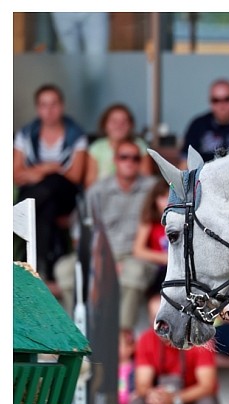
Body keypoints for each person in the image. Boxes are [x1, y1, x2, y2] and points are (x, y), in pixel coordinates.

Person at [54, 138, 159, 335]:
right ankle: (75, 331)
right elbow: (78, 230)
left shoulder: (153, 188)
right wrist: (97, 259)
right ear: (115, 161)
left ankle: (122, 335)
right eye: (124, 157)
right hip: (98, 254)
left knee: (134, 273)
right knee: (64, 269)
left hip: (136, 256)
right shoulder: (97, 190)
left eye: (135, 158)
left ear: (140, 162)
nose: (129, 162)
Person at [125, 295, 221, 404]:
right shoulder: (146, 340)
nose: (162, 327)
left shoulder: (200, 338)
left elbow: (207, 385)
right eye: (157, 320)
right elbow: (142, 384)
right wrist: (153, 395)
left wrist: (176, 399)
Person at [13, 84, 88, 284]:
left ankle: (20, 217)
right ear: (38, 108)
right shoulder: (26, 134)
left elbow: (74, 176)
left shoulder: (76, 134)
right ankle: (45, 270)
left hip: (65, 194)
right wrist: (48, 168)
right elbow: (16, 174)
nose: (49, 110)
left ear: (62, 106)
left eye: (54, 104)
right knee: (46, 206)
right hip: (45, 200)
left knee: (53, 184)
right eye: (44, 105)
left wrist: (36, 173)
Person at [85, 103, 153, 188]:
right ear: (104, 124)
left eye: (124, 121)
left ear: (131, 125)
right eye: (114, 121)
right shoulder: (96, 148)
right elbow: (90, 183)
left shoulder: (140, 146)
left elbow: (146, 179)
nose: (119, 126)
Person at [131, 177, 171, 294]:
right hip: (158, 273)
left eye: (170, 196)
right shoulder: (150, 221)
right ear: (154, 200)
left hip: (180, 273)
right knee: (155, 306)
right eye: (163, 197)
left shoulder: (183, 221)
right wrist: (165, 258)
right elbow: (138, 250)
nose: (167, 201)